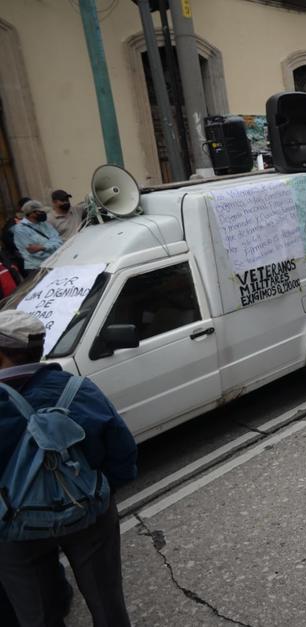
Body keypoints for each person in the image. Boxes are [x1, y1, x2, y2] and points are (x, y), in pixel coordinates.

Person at [0, 310, 137, 627]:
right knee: (107, 603)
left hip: (15, 527)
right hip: (86, 513)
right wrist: (101, 493)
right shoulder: (79, 390)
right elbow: (122, 452)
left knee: (37, 613)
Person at [13, 201, 63, 279]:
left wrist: (43, 247)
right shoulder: (20, 229)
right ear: (32, 213)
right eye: (41, 212)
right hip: (36, 268)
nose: (44, 213)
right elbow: (34, 252)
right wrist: (52, 247)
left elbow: (59, 242)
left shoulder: (45, 224)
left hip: (54, 264)